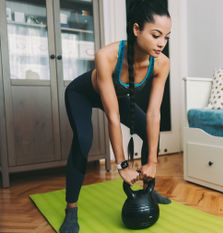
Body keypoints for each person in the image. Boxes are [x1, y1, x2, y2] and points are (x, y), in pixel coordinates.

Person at [59, 0, 172, 232]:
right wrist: (122, 164)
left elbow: (153, 114)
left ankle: (148, 188)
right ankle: (71, 209)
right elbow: (112, 115)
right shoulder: (107, 55)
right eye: (156, 35)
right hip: (83, 94)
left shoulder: (162, 64)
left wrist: (152, 162)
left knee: (149, 129)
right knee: (83, 140)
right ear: (137, 30)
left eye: (167, 37)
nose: (162, 43)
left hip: (117, 96)